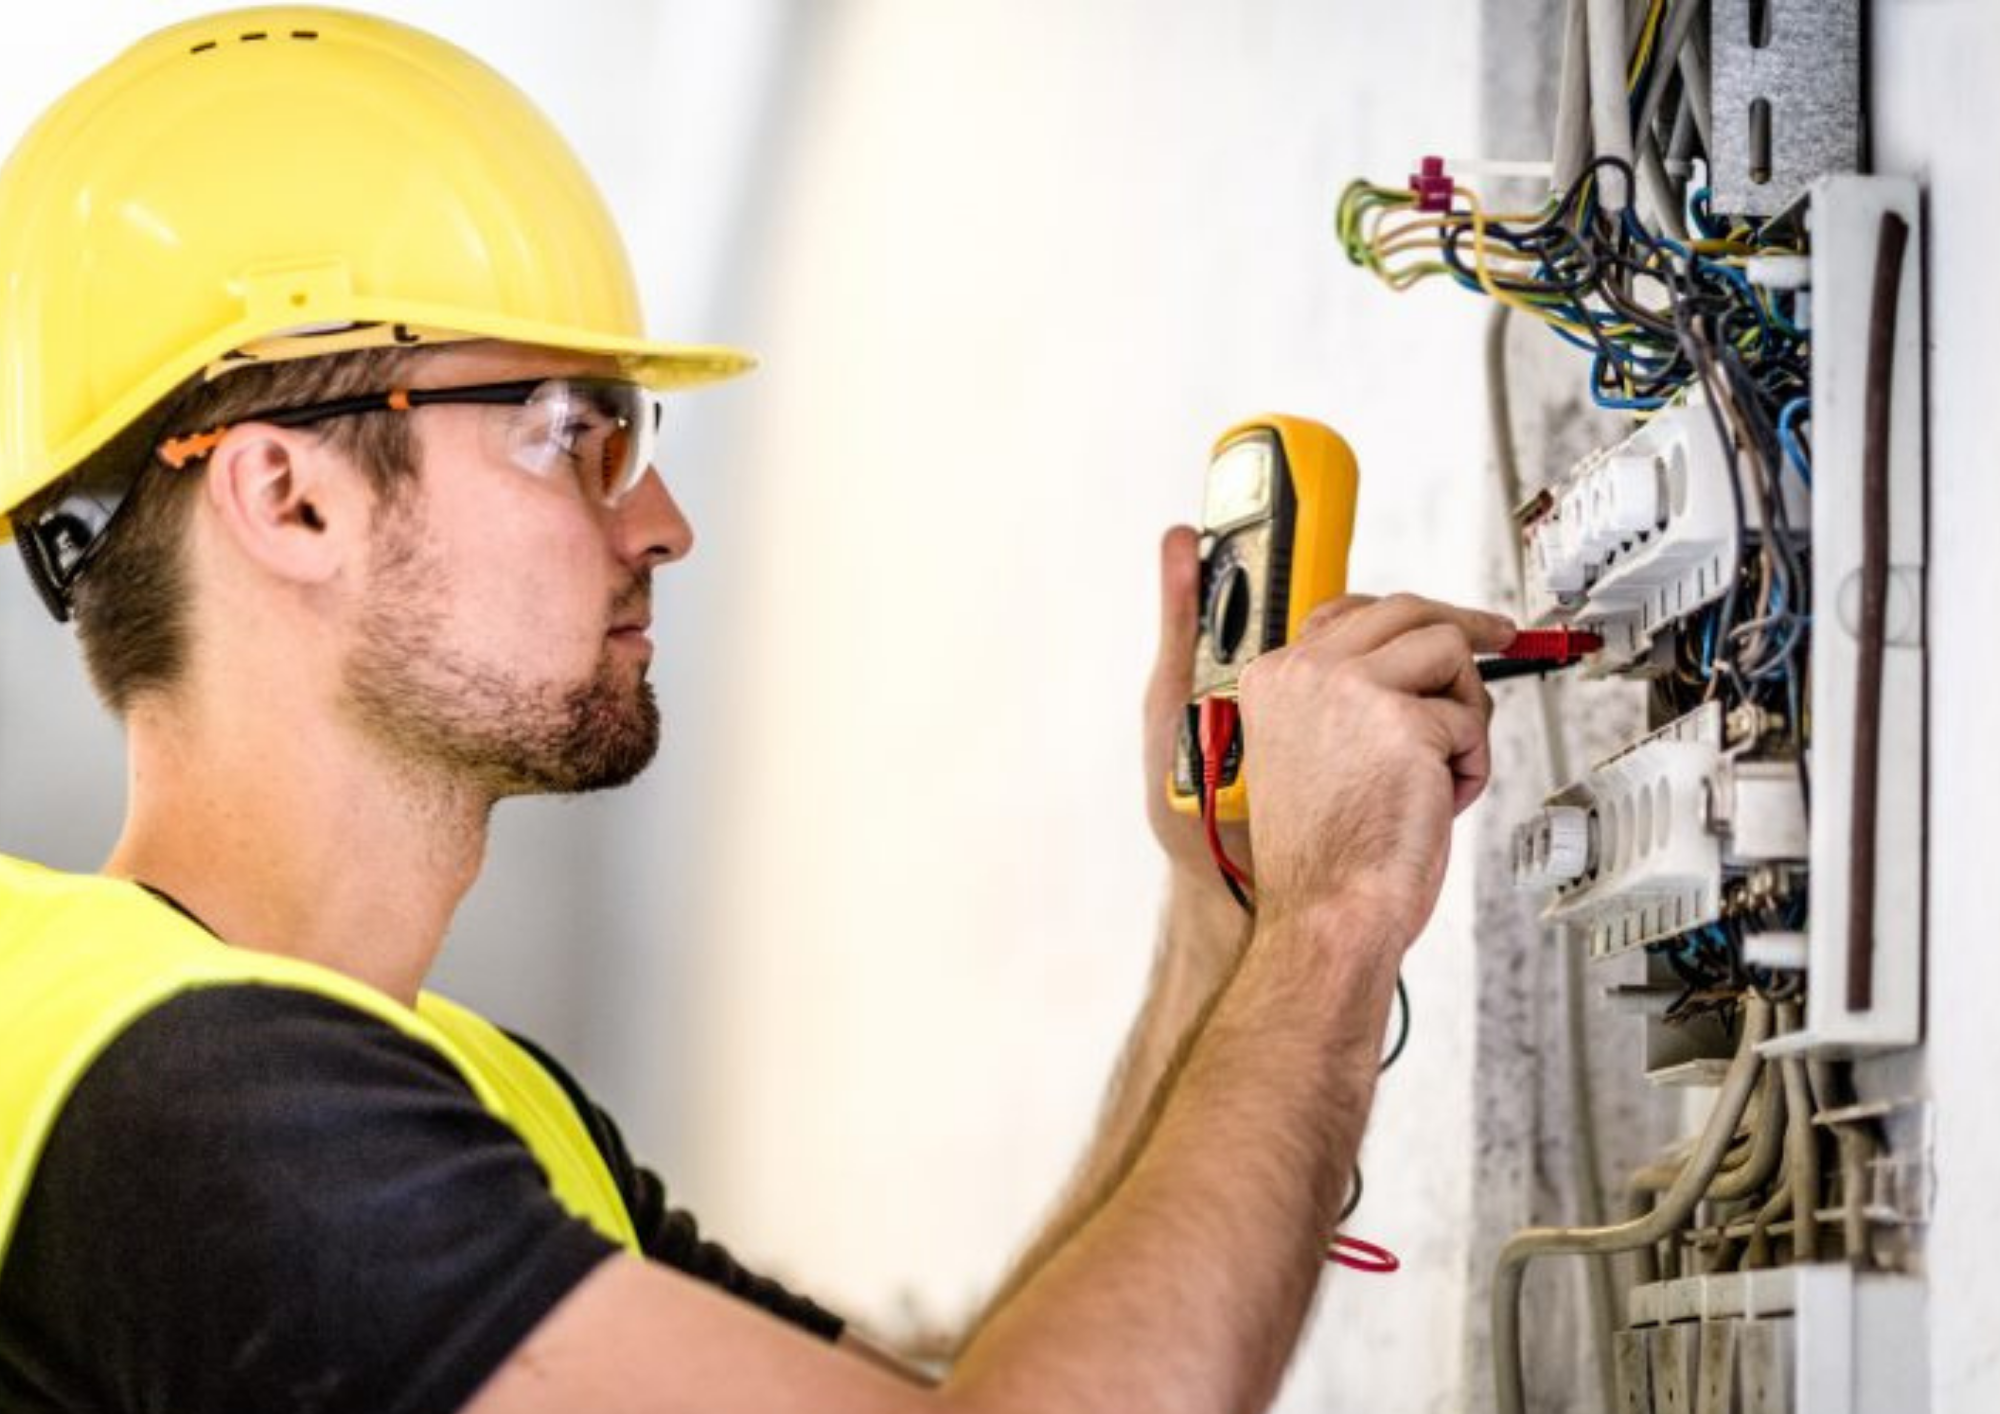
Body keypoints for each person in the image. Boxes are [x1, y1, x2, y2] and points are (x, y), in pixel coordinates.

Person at [0, 8, 1512, 1413]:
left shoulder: (464, 1095)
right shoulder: (179, 1102)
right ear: (291, 498)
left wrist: (1223, 906)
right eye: (573, 432)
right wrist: (1334, 917)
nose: (663, 523)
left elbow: (989, 1392)